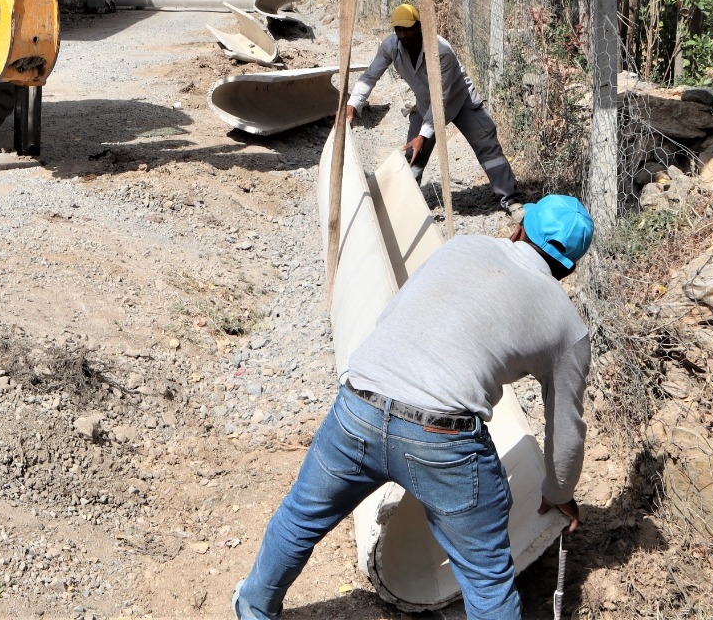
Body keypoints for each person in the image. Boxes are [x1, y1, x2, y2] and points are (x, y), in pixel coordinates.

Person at [234, 195, 595, 620]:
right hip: (442, 440)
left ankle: (254, 607)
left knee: (300, 518)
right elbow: (566, 429)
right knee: (486, 578)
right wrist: (558, 493)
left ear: (518, 230)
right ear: (568, 269)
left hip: (358, 406)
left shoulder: (464, 247)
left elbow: (393, 316)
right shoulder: (567, 325)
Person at [347, 3, 517, 209]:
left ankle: (510, 198)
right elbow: (369, 76)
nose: (403, 35)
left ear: (419, 26)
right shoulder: (390, 47)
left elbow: (441, 98)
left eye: (408, 28)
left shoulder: (440, 51)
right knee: (414, 154)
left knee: (487, 145)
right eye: (398, 29)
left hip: (460, 99)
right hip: (426, 104)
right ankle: (405, 203)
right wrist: (353, 104)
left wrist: (424, 134)